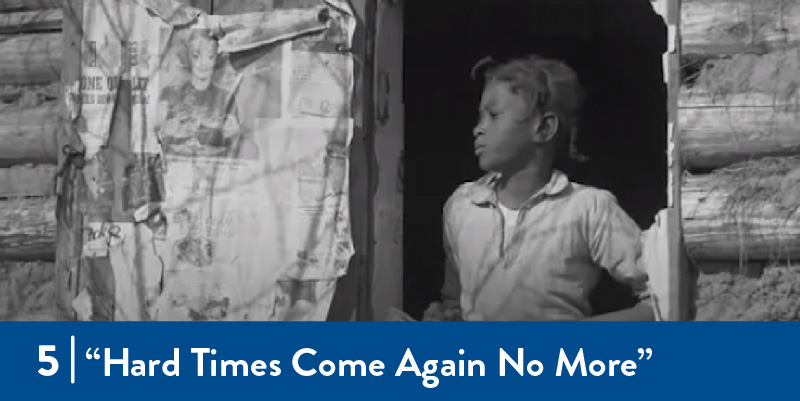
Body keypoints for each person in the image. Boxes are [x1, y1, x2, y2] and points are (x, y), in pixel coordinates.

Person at [423, 54, 656, 321]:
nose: (478, 129)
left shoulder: (589, 209)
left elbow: (661, 296)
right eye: (480, 118)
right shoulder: (462, 205)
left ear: (544, 128)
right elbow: (454, 299)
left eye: (493, 116)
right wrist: (445, 318)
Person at [157, 29, 259, 160]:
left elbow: (234, 134)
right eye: (196, 56)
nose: (203, 63)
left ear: (216, 58)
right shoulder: (169, 93)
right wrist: (177, 127)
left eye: (210, 56)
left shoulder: (225, 97)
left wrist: (216, 126)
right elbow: (157, 130)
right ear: (188, 57)